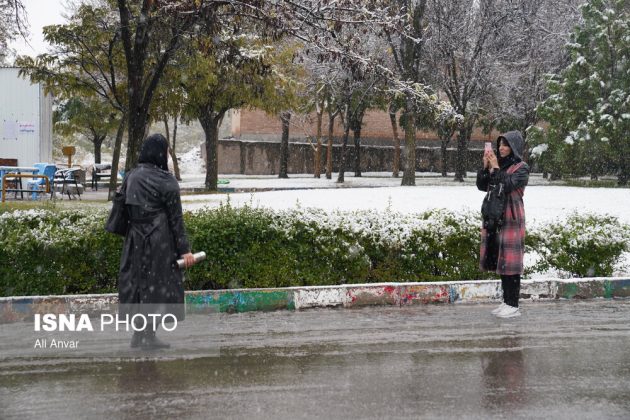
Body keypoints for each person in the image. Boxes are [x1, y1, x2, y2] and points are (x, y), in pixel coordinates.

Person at [117, 133, 195, 349]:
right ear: (160, 153)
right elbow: (175, 219)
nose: (168, 156)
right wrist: (185, 250)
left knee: (139, 286)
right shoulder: (166, 180)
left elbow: (124, 209)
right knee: (160, 286)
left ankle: (139, 334)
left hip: (134, 240)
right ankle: (148, 335)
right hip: (159, 240)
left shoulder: (131, 176)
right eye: (167, 151)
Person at [477, 131, 530, 318]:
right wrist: (485, 167)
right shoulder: (499, 165)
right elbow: (483, 186)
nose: (501, 148)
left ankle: (513, 304)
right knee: (502, 260)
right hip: (495, 216)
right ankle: (506, 301)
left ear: (514, 147)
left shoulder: (521, 167)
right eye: (499, 145)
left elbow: (506, 185)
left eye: (505, 145)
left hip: (511, 216)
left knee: (512, 262)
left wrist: (496, 168)